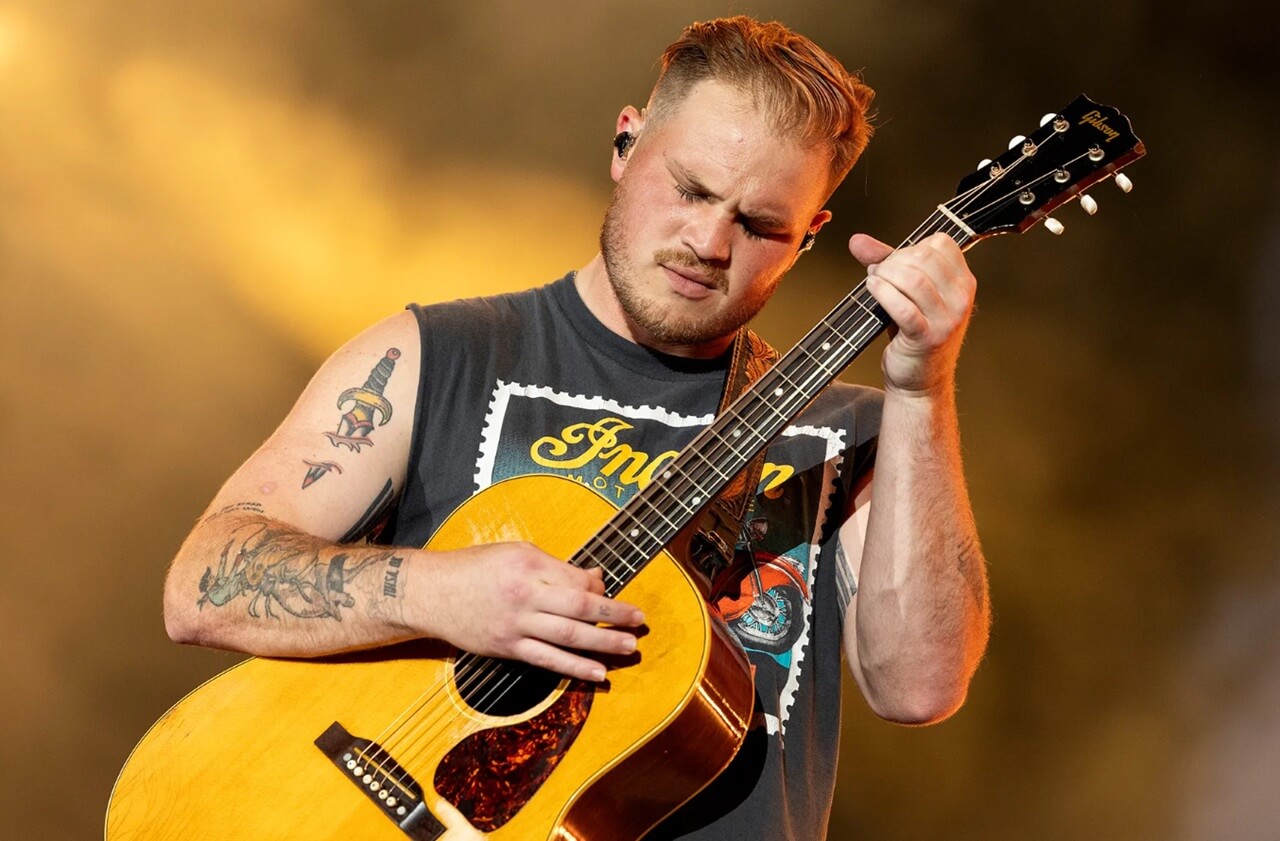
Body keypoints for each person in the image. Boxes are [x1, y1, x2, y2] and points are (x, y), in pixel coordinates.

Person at [163, 15, 990, 840]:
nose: (708, 241)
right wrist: (439, 592)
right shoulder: (432, 354)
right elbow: (201, 584)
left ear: (809, 236)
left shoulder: (861, 433)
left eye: (760, 225)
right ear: (627, 143)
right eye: (692, 189)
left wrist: (924, 389)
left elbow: (917, 689)